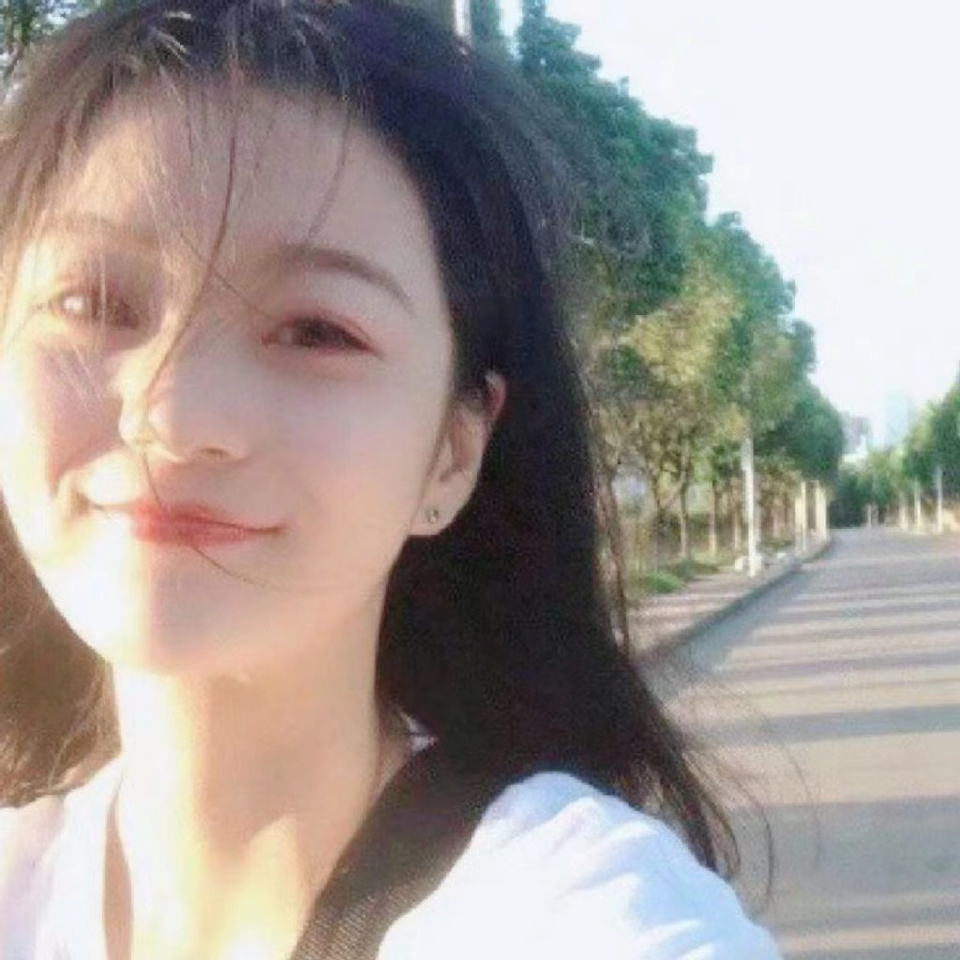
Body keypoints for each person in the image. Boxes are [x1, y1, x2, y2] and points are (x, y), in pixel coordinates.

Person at [0, 1, 781, 957]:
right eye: (95, 301)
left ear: (453, 452)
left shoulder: (578, 915)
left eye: (316, 331)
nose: (173, 415)